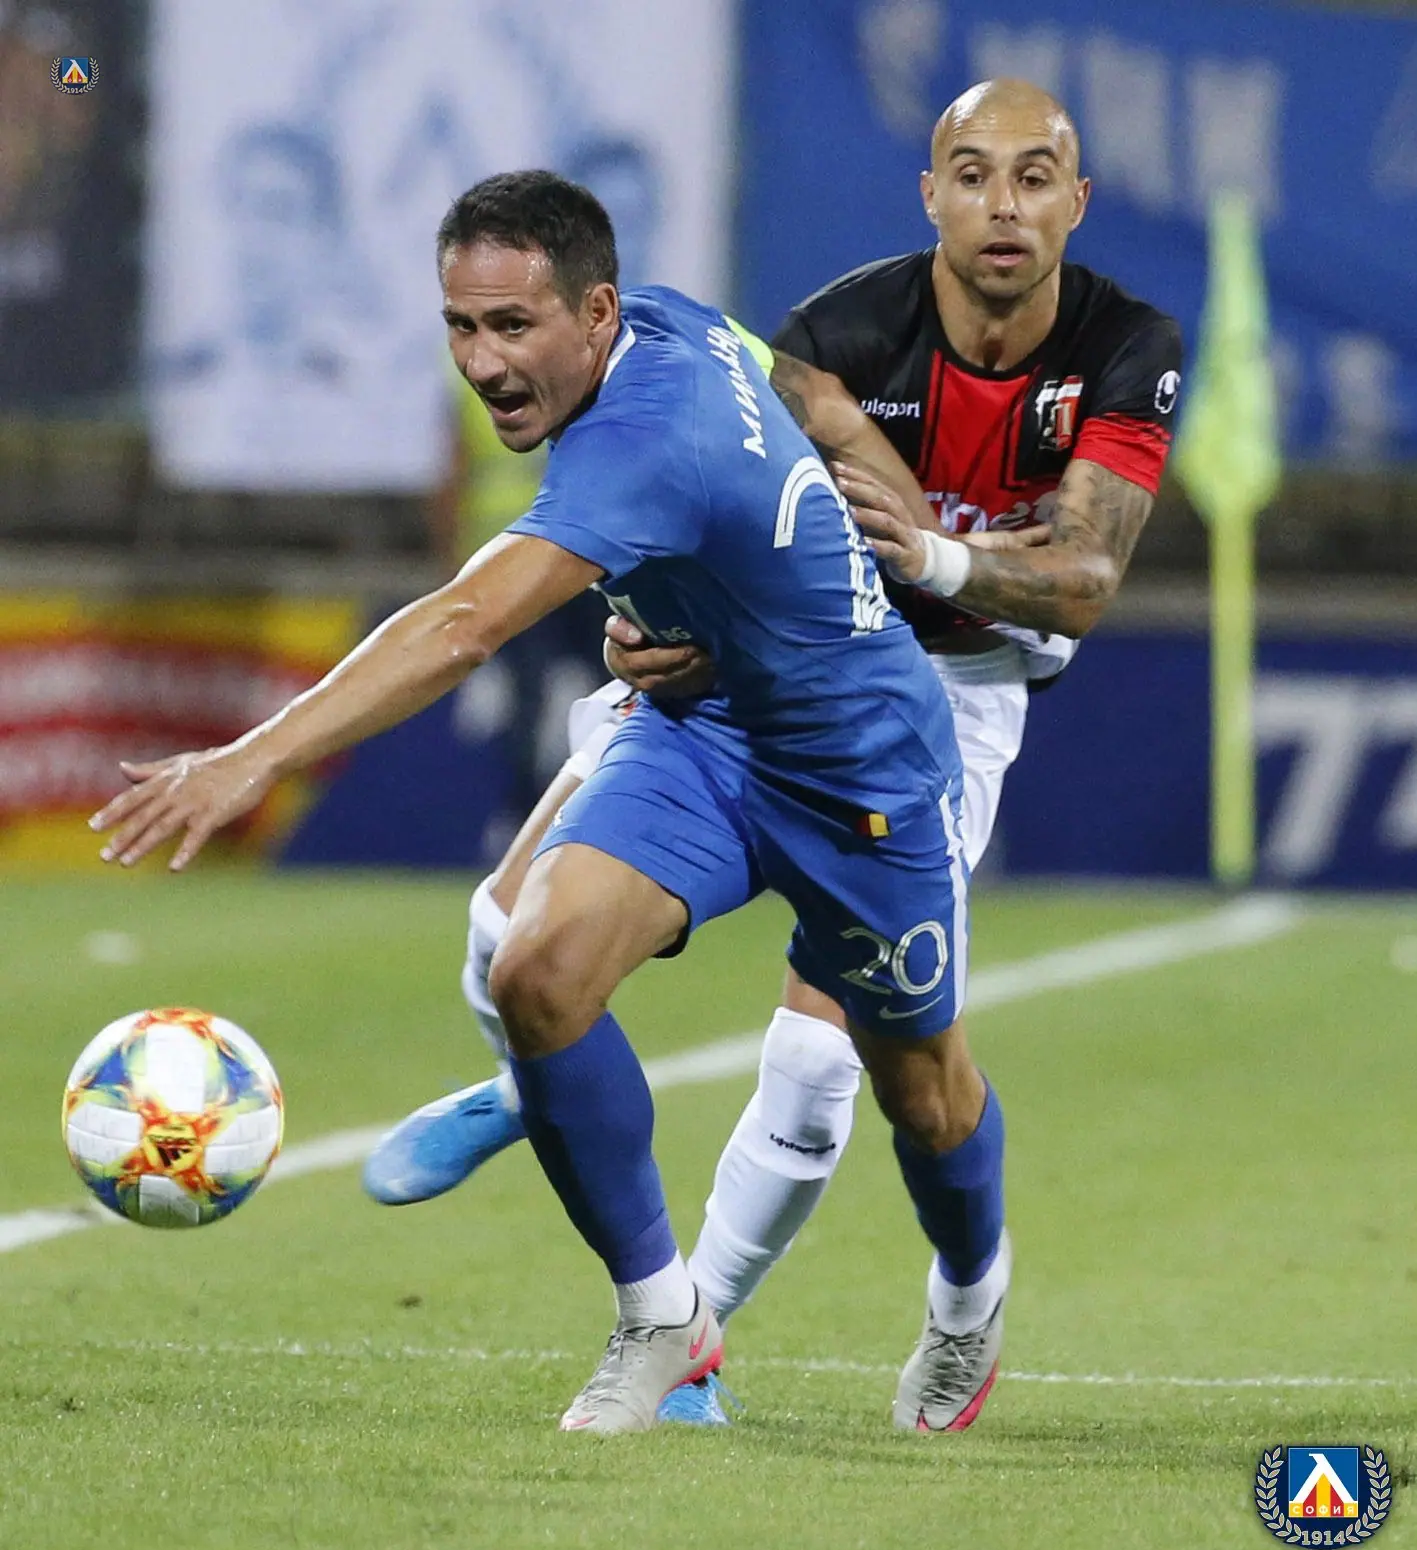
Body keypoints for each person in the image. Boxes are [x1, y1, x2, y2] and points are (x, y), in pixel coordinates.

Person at [92, 168, 1006, 1438]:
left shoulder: (645, 439)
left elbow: (464, 622)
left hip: (863, 770)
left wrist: (252, 756)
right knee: (535, 969)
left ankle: (968, 1301)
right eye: (461, 326)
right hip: (707, 732)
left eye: (512, 326)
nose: (483, 361)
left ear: (594, 313)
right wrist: (750, 571)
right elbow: (804, 394)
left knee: (925, 1094)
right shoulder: (675, 318)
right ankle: (662, 1317)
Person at [362, 79, 1185, 1431]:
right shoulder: (838, 332)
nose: (1001, 205)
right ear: (929, 195)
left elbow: (1083, 580)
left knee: (830, 1072)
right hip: (753, 664)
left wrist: (929, 557)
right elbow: (722, 487)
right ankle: (554, 1119)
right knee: (507, 934)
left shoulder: (1123, 344)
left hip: (940, 697)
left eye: (1033, 178)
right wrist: (644, 623)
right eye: (972, 174)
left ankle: (917, 1308)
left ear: (1076, 202)